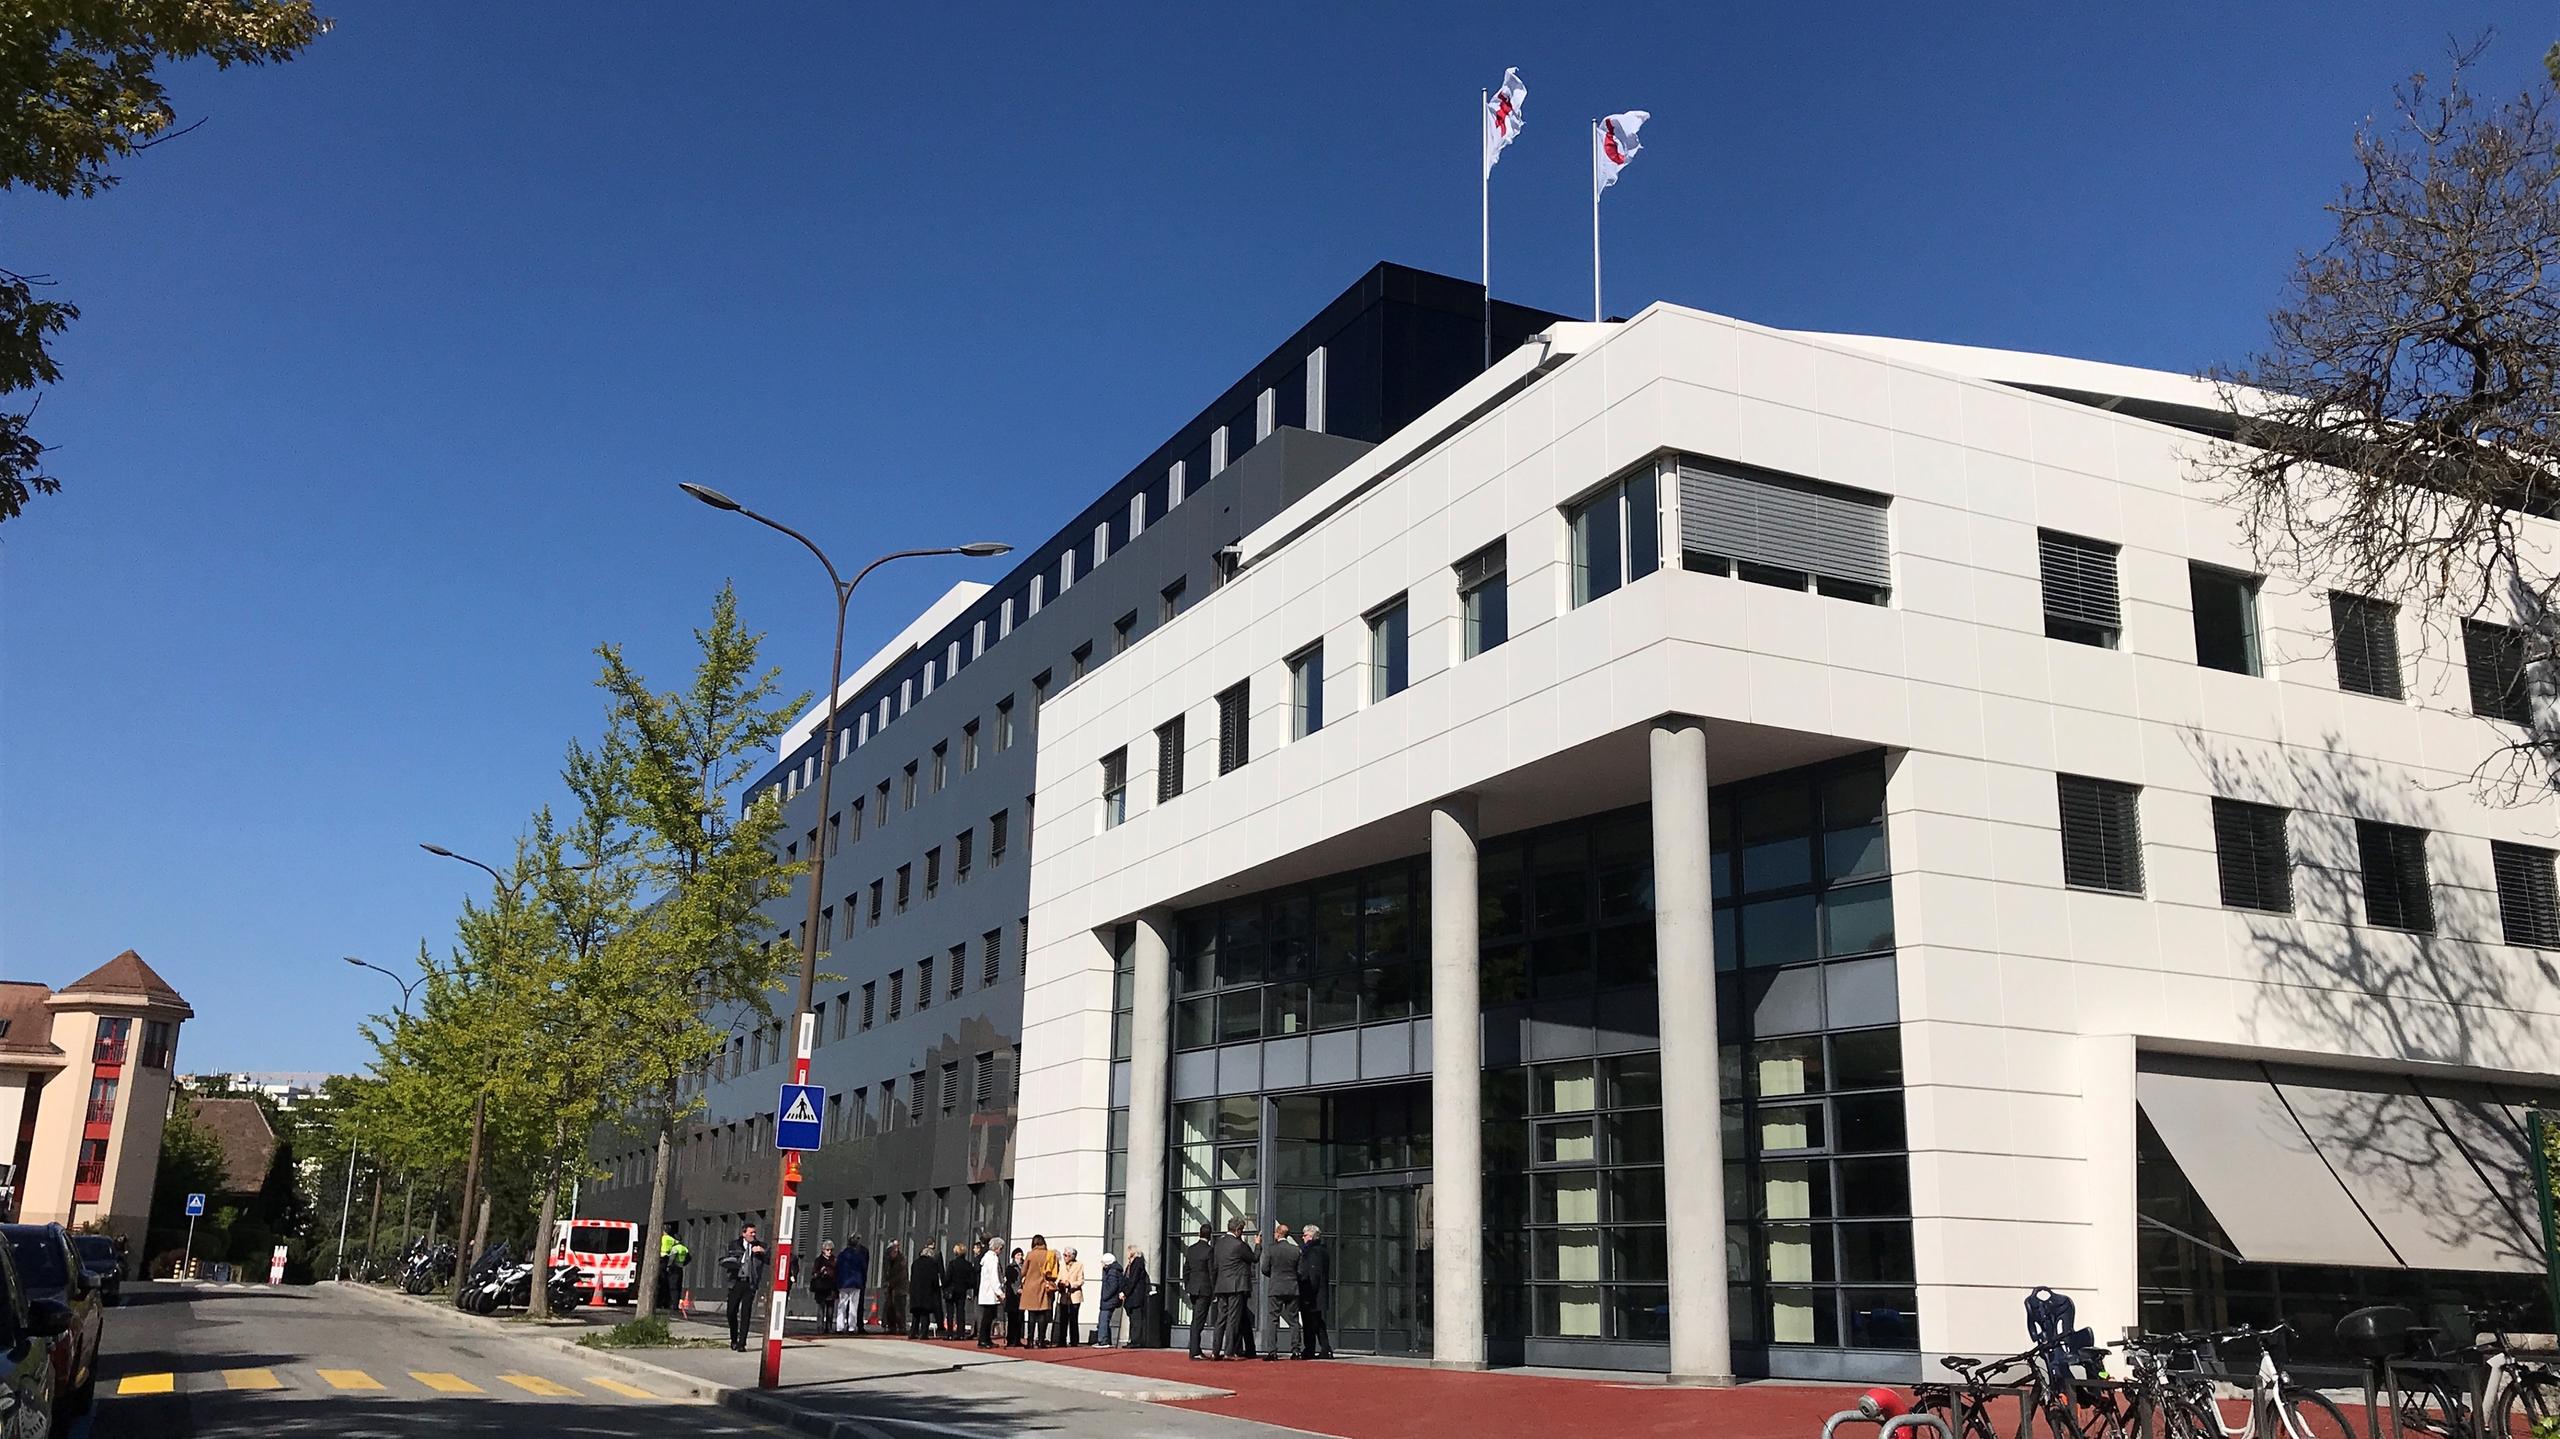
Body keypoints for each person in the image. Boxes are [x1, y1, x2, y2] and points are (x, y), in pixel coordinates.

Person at [720, 1223, 769, 1352]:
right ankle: (734, 1338)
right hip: (736, 1281)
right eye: (751, 1232)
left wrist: (762, 1252)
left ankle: (742, 1343)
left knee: (746, 1313)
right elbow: (723, 1259)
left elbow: (770, 1259)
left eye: (754, 1233)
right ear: (744, 1233)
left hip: (750, 1282)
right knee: (731, 1311)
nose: (753, 1235)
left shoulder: (759, 1245)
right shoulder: (733, 1245)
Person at [1209, 1218, 1253, 1359]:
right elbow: (1254, 1258)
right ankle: (1229, 1351)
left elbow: (1214, 1267)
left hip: (1221, 1285)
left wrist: (1214, 1286)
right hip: (1236, 1286)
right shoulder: (1239, 1245)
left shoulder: (1218, 1244)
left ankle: (1215, 1351)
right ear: (1238, 1230)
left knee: (1221, 1319)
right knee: (1233, 1319)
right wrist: (1258, 1245)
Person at [1259, 1222, 1302, 1361]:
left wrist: (1274, 1275)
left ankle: (1272, 1351)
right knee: (1294, 1320)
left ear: (1277, 1234)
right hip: (1292, 1287)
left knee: (1273, 1319)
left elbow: (1264, 1268)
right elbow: (1300, 1271)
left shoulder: (1271, 1249)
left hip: (1276, 1286)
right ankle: (1296, 1350)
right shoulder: (1295, 1250)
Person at [1297, 1224, 1333, 1359]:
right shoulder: (1322, 1250)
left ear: (1311, 1236)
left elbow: (1313, 1274)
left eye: (1305, 1235)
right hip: (1318, 1293)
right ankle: (1324, 1348)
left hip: (1312, 1293)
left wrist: (1308, 1291)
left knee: (1310, 1322)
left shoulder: (1312, 1251)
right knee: (1317, 1322)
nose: (1303, 1237)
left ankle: (1311, 1349)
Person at [1182, 1224, 1217, 1360]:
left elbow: (1186, 1269)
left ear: (1199, 1234)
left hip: (1193, 1289)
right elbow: (1211, 1272)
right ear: (1210, 1236)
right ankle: (1195, 1350)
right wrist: (1214, 1291)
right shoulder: (1209, 1250)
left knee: (1195, 1319)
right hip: (1204, 1289)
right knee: (1199, 1321)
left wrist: (1187, 1285)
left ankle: (1195, 1349)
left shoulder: (1191, 1249)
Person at [1020, 1235, 1056, 1346]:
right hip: (1043, 1286)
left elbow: (1023, 1272)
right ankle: (1041, 1340)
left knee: (1031, 1315)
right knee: (1042, 1314)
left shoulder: (1030, 1255)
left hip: (1030, 1287)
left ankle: (1030, 1341)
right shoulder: (1049, 1254)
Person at [908, 1241, 944, 1340]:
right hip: (927, 1292)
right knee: (925, 1314)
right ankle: (923, 1333)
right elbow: (934, 1279)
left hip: (915, 1291)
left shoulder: (915, 1263)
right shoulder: (932, 1264)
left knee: (916, 1314)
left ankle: (913, 1332)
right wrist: (936, 1289)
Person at [1118, 1246, 1152, 1348]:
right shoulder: (1131, 1263)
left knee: (1136, 1319)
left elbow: (1133, 1280)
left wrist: (1125, 1292)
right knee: (1132, 1319)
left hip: (1135, 1296)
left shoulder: (1137, 1263)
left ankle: (1136, 1341)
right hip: (1131, 1296)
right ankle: (1132, 1339)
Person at [975, 1237, 1006, 1347]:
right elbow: (994, 1277)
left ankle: (985, 1338)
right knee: (988, 1317)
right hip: (990, 1293)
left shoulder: (987, 1257)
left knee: (988, 1317)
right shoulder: (993, 1259)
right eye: (1001, 1248)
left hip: (986, 1291)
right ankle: (983, 1339)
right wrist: (1000, 1292)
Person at [835, 1236, 869, 1335]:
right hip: (856, 1282)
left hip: (843, 1283)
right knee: (853, 1305)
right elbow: (864, 1268)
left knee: (842, 1305)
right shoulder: (859, 1256)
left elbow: (837, 1268)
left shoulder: (842, 1255)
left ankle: (839, 1327)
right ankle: (851, 1327)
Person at [947, 1240, 979, 1341]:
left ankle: (950, 1333)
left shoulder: (952, 1264)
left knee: (950, 1312)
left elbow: (948, 1278)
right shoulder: (968, 1265)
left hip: (952, 1290)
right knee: (961, 1311)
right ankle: (960, 1333)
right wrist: (967, 1286)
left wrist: (945, 1286)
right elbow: (972, 1279)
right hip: (962, 1290)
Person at [1054, 1247, 1086, 1347]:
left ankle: (1074, 1341)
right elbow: (1059, 1277)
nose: (1065, 1257)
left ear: (1072, 1256)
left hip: (1075, 1295)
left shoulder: (1079, 1265)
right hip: (1063, 1296)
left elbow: (1081, 1281)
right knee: (1063, 1319)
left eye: (1067, 1255)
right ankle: (1062, 1341)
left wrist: (1071, 1284)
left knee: (1073, 1319)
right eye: (1064, 1255)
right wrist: (1059, 1283)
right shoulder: (1062, 1265)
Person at [1089, 1251, 1122, 1346]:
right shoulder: (1113, 1270)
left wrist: (1105, 1296)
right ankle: (1106, 1340)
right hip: (1110, 1300)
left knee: (1103, 1320)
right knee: (1105, 1320)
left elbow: (1113, 1286)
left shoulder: (1112, 1272)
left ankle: (1103, 1340)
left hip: (1108, 1300)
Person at [811, 1240, 841, 1333]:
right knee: (821, 1308)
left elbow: (838, 1273)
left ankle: (829, 1327)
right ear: (823, 1250)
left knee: (830, 1309)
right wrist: (820, 1272)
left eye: (831, 1250)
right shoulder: (818, 1260)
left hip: (831, 1287)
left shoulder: (835, 1260)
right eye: (827, 1250)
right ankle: (820, 1327)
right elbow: (814, 1273)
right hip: (821, 1287)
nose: (829, 1252)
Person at [657, 1229, 690, 1311]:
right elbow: (689, 1258)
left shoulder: (675, 1248)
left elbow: (672, 1258)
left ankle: (672, 1305)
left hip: (673, 1268)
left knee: (672, 1287)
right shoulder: (684, 1248)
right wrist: (683, 1264)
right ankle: (675, 1304)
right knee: (678, 1287)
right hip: (680, 1268)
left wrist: (668, 1266)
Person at [879, 1240, 907, 1336]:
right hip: (890, 1288)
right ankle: (891, 1326)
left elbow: (901, 1275)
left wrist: (890, 1283)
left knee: (900, 1309)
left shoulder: (901, 1260)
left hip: (899, 1288)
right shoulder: (887, 1259)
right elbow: (885, 1272)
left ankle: (901, 1327)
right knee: (889, 1308)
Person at [1004, 1246, 1026, 1347]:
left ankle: (1017, 1339)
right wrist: (1017, 1290)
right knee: (1012, 1318)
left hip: (1022, 1296)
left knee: (1020, 1318)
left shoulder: (1024, 1266)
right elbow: (1011, 1282)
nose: (1020, 1257)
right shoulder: (1010, 1267)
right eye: (1018, 1255)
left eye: (1021, 1254)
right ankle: (1010, 1339)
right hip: (1012, 1296)